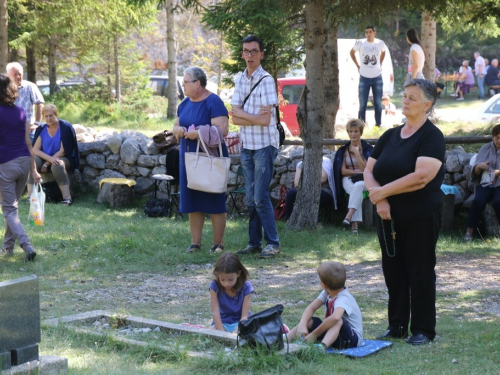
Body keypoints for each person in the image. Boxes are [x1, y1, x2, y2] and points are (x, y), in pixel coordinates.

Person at [364, 79, 445, 345]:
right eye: (405, 95)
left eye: (412, 97)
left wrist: (384, 192)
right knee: (393, 270)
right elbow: (368, 171)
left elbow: (422, 176)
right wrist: (380, 201)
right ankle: (397, 324)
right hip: (388, 215)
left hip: (420, 214)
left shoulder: (431, 136)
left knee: (420, 270)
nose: (406, 100)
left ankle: (423, 329)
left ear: (427, 104)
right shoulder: (390, 135)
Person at [231, 35, 281, 259]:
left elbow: (265, 121)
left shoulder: (267, 79)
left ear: (261, 54)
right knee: (251, 198)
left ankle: (273, 243)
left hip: (264, 145)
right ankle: (254, 243)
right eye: (246, 51)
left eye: (254, 51)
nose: (249, 55)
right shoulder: (240, 78)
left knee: (260, 197)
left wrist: (243, 115)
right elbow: (234, 117)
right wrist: (247, 116)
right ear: (242, 54)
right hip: (247, 144)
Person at [172, 66, 229, 254]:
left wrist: (199, 133)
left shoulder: (214, 102)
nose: (183, 86)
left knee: (214, 200)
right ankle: (195, 243)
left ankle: (218, 244)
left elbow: (223, 130)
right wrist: (178, 131)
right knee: (193, 200)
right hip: (188, 158)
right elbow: (176, 124)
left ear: (197, 83)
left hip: (209, 158)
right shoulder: (184, 103)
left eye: (185, 82)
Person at [0, 74, 41, 262]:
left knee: (9, 210)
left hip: (6, 164)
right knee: (12, 207)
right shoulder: (21, 112)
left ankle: (27, 245)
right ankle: (7, 247)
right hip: (24, 161)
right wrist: (33, 169)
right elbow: (28, 143)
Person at [286, 261, 363, 351]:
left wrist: (314, 335)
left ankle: (321, 347)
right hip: (333, 334)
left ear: (323, 285)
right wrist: (302, 324)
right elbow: (311, 308)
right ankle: (285, 339)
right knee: (311, 321)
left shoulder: (344, 298)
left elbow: (335, 317)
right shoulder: (326, 292)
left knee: (338, 321)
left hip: (351, 340)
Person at [27, 104, 79, 206]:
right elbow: (35, 150)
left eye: (51, 115)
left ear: (56, 115)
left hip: (63, 157)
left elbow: (62, 151)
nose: (48, 118)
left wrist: (47, 163)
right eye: (46, 116)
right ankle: (30, 196)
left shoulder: (65, 127)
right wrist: (48, 159)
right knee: (31, 161)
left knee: (57, 165)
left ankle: (67, 198)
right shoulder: (42, 128)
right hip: (47, 157)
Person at [333, 119, 373, 234]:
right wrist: (359, 173)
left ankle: (349, 217)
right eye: (350, 131)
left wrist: (356, 152)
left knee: (359, 185)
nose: (353, 134)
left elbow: (367, 170)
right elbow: (343, 172)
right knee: (357, 189)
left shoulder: (367, 149)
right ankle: (354, 224)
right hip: (348, 179)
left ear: (361, 132)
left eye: (356, 131)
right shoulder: (343, 150)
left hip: (365, 180)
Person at [463, 124, 500, 241]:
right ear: (493, 137)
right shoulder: (485, 148)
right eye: (497, 137)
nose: (499, 140)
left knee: (498, 201)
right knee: (478, 201)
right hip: (486, 183)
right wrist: (480, 165)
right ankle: (469, 231)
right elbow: (476, 170)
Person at [350, 25, 386, 127]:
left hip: (377, 77)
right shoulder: (360, 43)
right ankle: (361, 125)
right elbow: (352, 52)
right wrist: (357, 65)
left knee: (378, 104)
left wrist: (380, 63)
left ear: (375, 33)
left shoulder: (380, 43)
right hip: (364, 77)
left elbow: (384, 52)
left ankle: (378, 125)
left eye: (370, 32)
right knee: (362, 104)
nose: (368, 34)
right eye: (366, 32)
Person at [209, 252, 254, 333]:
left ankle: (282, 328)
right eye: (222, 279)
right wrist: (222, 333)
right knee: (208, 333)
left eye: (230, 279)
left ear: (238, 273)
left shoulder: (246, 287)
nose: (226, 283)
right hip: (221, 323)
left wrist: (236, 332)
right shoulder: (214, 286)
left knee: (253, 332)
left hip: (240, 323)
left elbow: (244, 316)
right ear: (217, 275)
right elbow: (215, 313)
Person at [284, 156, 336, 221]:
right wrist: (309, 185)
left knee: (311, 195)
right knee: (291, 193)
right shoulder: (301, 164)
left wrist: (306, 183)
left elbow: (322, 178)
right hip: (303, 189)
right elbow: (296, 183)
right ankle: (289, 218)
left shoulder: (324, 162)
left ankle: (315, 221)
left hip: (323, 190)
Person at [6, 62, 45, 142]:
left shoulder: (30, 87)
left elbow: (40, 104)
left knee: (30, 152)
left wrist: (36, 123)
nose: (18, 77)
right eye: (15, 74)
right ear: (8, 75)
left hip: (29, 129)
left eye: (19, 74)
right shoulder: (5, 88)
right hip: (10, 129)